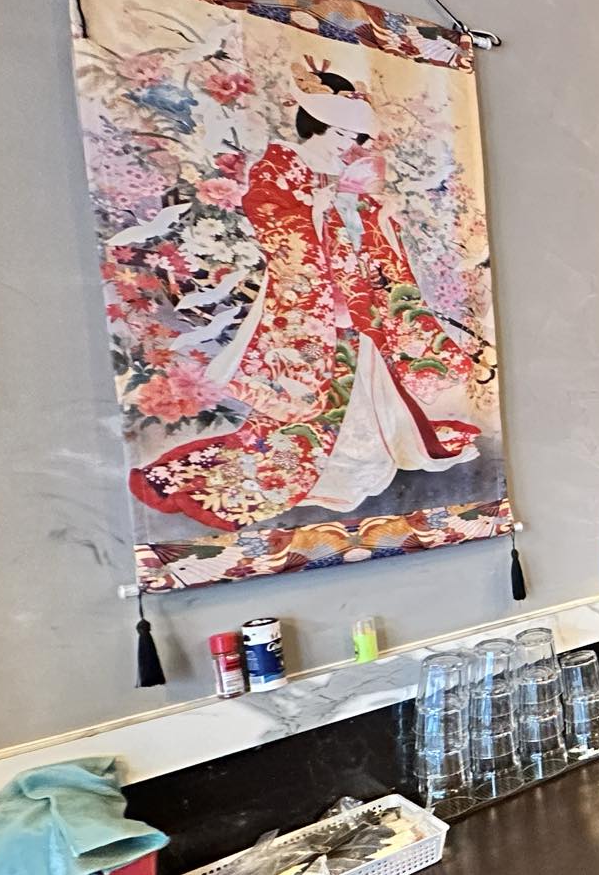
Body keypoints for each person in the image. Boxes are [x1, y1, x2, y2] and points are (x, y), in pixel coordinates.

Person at [130, 63, 482, 530]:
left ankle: (373, 445)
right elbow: (269, 214)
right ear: (316, 124)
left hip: (352, 281)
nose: (348, 146)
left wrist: (377, 215)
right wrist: (317, 211)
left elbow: (361, 219)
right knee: (323, 368)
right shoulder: (280, 163)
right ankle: (332, 459)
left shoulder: (343, 170)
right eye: (342, 134)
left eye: (355, 138)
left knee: (364, 358)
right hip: (310, 292)